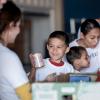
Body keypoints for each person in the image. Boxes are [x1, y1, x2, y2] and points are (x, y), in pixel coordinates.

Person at [0, 1, 32, 100]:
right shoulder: (8, 57)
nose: (19, 30)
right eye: (18, 25)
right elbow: (28, 96)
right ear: (10, 25)